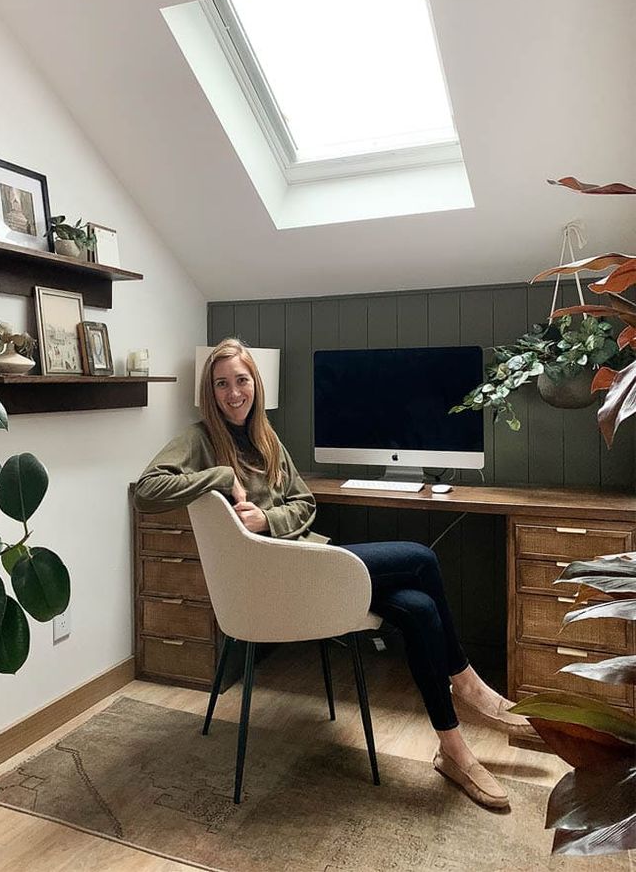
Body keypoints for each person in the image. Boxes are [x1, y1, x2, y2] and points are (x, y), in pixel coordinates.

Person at [135, 338, 533, 810]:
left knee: (420, 608)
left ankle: (453, 751)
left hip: (308, 569)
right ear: (210, 391)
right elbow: (147, 490)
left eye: (241, 380)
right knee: (421, 559)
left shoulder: (266, 436)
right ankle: (467, 684)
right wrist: (220, 477)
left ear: (255, 385)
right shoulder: (200, 438)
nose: (233, 392)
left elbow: (305, 503)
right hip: (276, 583)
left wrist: (268, 519)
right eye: (221, 383)